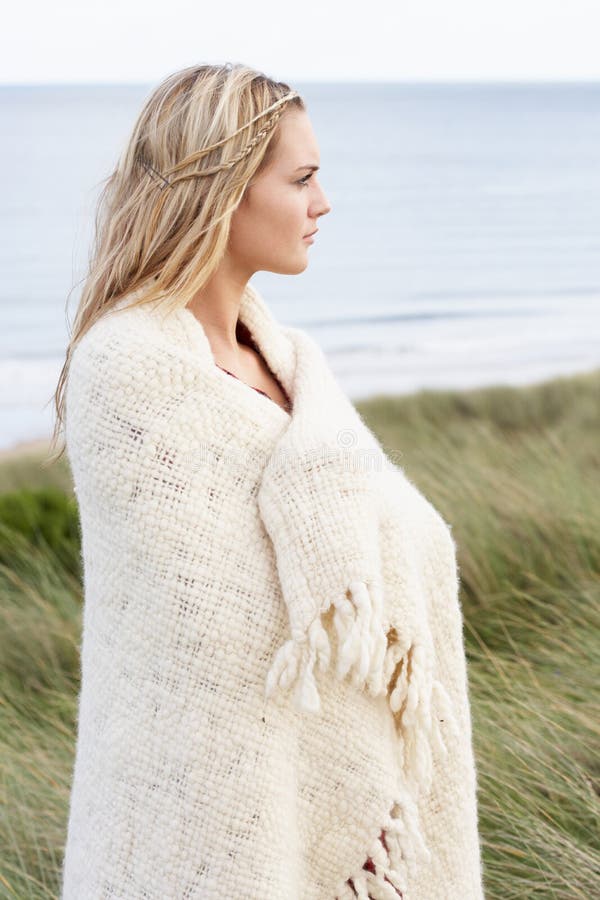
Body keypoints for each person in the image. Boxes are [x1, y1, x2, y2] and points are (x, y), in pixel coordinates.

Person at [52, 63, 485, 899]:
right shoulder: (128, 369)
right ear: (222, 190)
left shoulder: (295, 367)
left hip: (364, 833)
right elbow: (206, 634)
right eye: (304, 179)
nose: (324, 205)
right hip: (211, 815)